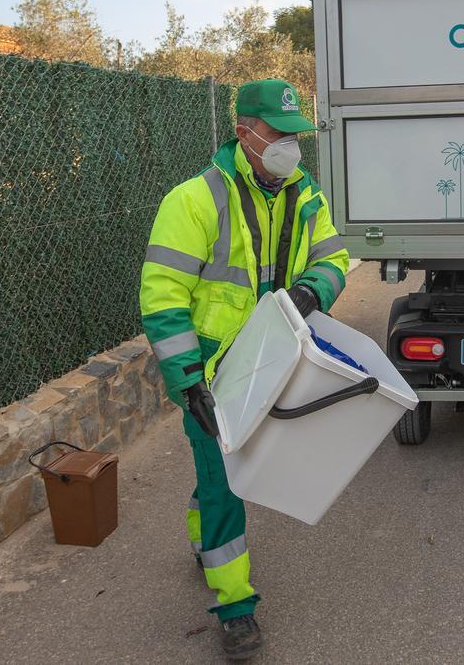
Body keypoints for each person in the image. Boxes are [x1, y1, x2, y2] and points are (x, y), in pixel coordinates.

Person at [139, 78, 350, 660]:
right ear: (244, 134)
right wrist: (186, 379)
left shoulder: (304, 194)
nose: (289, 147)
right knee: (225, 477)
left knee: (223, 469)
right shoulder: (194, 199)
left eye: (295, 136)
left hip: (272, 356)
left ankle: (202, 525)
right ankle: (234, 607)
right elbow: (162, 297)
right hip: (210, 370)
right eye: (278, 135)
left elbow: (334, 254)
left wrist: (314, 290)